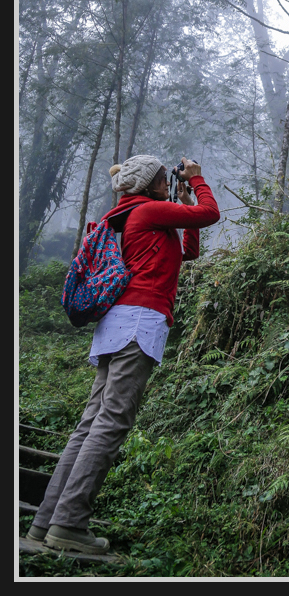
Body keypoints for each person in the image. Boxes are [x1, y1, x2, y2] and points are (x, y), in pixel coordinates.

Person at [28, 154, 220, 554]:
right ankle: (68, 524)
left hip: (117, 323)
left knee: (91, 422)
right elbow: (210, 213)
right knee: (111, 421)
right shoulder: (149, 211)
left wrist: (183, 205)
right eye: (163, 180)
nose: (169, 184)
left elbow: (188, 253)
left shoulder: (129, 214)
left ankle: (45, 522)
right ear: (149, 184)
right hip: (139, 321)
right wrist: (198, 183)